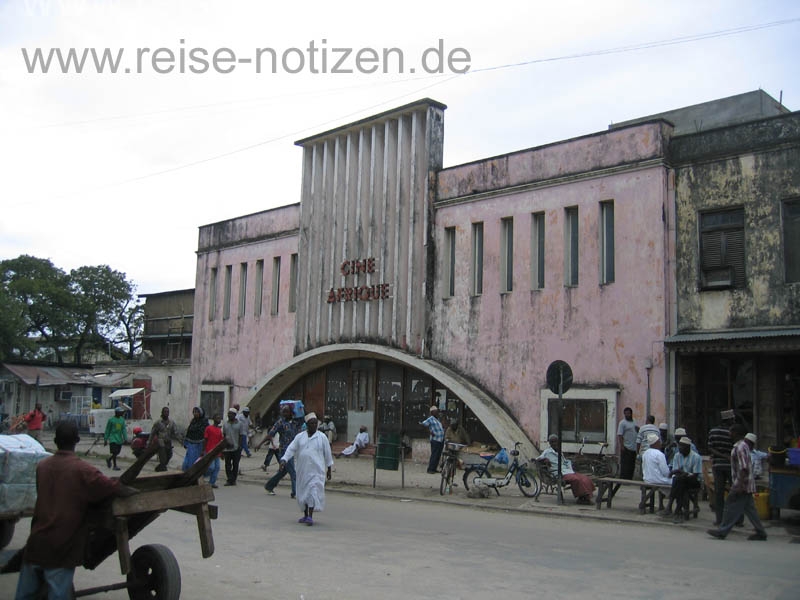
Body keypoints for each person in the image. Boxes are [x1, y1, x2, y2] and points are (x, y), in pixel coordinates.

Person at [14, 421, 138, 600]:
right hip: (61, 548)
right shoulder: (83, 470)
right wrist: (130, 491)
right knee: (58, 595)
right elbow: (110, 487)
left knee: (24, 595)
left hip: (35, 544)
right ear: (77, 441)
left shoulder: (42, 467)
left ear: (55, 441)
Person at [707, 425, 768, 541]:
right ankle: (761, 532)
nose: (729, 434)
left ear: (736, 433)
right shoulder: (742, 446)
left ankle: (723, 530)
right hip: (746, 484)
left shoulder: (740, 447)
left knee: (730, 505)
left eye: (731, 432)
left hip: (742, 484)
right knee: (750, 510)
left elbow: (743, 467)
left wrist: (738, 485)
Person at [279, 413, 333, 526]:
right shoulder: (300, 437)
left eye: (315, 423)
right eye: (311, 423)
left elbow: (327, 453)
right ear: (307, 424)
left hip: (316, 471)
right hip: (302, 470)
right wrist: (284, 459)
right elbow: (291, 448)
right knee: (303, 492)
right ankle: (305, 514)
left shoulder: (322, 437)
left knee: (312, 490)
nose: (314, 425)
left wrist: (329, 468)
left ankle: (310, 516)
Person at [537, 435, 595, 504]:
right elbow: (537, 459)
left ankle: (584, 497)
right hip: (559, 473)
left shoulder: (559, 452)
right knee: (577, 479)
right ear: (549, 443)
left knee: (585, 478)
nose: (554, 443)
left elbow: (565, 461)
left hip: (567, 470)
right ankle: (583, 498)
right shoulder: (547, 452)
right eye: (552, 442)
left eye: (556, 441)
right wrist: (544, 459)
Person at [662, 437, 703, 523]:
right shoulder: (677, 456)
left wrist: (682, 473)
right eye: (679, 446)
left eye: (682, 446)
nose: (679, 448)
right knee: (681, 483)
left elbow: (695, 475)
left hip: (694, 481)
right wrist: (681, 473)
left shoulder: (696, 457)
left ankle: (670, 506)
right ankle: (678, 510)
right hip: (682, 481)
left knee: (679, 480)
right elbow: (676, 471)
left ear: (688, 447)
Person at [707, 409, 737, 526]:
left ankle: (719, 519)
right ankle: (737, 519)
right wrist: (726, 456)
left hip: (717, 465)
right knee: (734, 491)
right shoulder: (732, 432)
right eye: (732, 419)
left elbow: (710, 447)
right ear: (729, 420)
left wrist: (720, 455)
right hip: (730, 465)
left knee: (719, 492)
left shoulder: (713, 431)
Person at [264, 404, 301, 497]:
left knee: (283, 471)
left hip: (295, 450)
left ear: (291, 412)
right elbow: (271, 433)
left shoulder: (295, 423)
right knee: (293, 471)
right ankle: (295, 492)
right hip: (285, 451)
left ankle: (269, 485)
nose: (284, 413)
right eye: (283, 411)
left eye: (286, 411)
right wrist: (261, 443)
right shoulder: (280, 422)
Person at [150, 407, 179, 472]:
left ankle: (159, 468)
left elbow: (176, 432)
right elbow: (152, 433)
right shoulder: (158, 423)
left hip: (168, 442)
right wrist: (149, 443)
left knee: (169, 455)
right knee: (163, 458)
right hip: (161, 442)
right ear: (162, 413)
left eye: (167, 412)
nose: (166, 413)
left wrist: (181, 441)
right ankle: (163, 470)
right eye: (165, 412)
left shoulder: (171, 422)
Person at [182, 406, 208, 471]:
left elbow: (206, 435)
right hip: (191, 445)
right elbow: (189, 432)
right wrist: (185, 442)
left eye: (197, 412)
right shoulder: (193, 421)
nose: (195, 413)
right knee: (187, 462)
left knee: (197, 462)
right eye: (194, 412)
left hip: (199, 445)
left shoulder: (204, 423)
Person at [421, 406, 445, 474]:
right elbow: (423, 424)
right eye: (436, 411)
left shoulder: (438, 419)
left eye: (437, 411)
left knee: (438, 455)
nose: (437, 412)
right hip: (435, 440)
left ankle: (434, 468)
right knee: (434, 455)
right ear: (432, 412)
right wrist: (430, 432)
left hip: (440, 439)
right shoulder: (431, 419)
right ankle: (430, 469)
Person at [222, 408, 242, 486]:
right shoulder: (225, 424)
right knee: (227, 464)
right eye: (228, 413)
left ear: (235, 415)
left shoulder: (239, 424)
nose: (229, 415)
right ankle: (229, 479)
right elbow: (224, 435)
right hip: (227, 448)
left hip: (236, 447)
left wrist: (239, 446)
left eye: (231, 414)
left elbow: (241, 435)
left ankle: (233, 479)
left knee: (235, 464)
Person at [103, 406, 127, 471]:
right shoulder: (111, 420)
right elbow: (107, 430)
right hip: (113, 438)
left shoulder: (122, 420)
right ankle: (115, 466)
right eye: (120, 412)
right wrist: (105, 439)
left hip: (119, 439)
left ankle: (109, 459)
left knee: (117, 452)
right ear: (116, 413)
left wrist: (125, 438)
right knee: (114, 452)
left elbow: (123, 429)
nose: (122, 413)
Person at [203, 414, 224, 488]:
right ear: (214, 419)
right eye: (217, 418)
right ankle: (202, 475)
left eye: (220, 418)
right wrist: (203, 450)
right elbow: (205, 439)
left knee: (217, 468)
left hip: (217, 452)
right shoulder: (208, 428)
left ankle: (212, 482)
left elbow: (221, 442)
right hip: (209, 451)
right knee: (211, 467)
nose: (219, 419)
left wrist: (221, 453)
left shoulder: (219, 430)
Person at [617, 406, 638, 479]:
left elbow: (636, 431)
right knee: (625, 465)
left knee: (632, 465)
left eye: (628, 413)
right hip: (626, 447)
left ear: (631, 414)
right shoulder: (622, 423)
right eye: (626, 414)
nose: (627, 415)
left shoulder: (635, 421)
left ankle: (630, 479)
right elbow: (620, 435)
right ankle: (623, 479)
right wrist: (622, 446)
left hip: (633, 447)